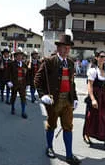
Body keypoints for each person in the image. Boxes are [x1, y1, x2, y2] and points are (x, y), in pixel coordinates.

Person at [34, 33, 80, 165]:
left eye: (68, 47)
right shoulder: (49, 62)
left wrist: (75, 97)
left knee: (68, 127)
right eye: (64, 47)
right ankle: (49, 147)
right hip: (54, 101)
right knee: (52, 125)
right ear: (58, 48)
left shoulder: (70, 63)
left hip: (67, 101)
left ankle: (69, 155)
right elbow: (37, 79)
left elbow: (72, 82)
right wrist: (43, 95)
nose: (66, 50)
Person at [83, 51, 105, 152]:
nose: (103, 58)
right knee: (90, 117)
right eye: (101, 56)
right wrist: (92, 99)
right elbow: (90, 85)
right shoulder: (93, 70)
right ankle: (86, 134)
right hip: (95, 95)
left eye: (104, 56)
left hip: (104, 96)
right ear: (97, 58)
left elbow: (104, 83)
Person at [8, 47, 29, 119]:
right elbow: (8, 74)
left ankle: (23, 112)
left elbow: (27, 75)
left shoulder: (24, 65)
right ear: (15, 56)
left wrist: (27, 84)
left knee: (23, 98)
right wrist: (9, 81)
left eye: (21, 55)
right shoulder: (11, 64)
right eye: (18, 55)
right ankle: (13, 108)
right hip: (14, 83)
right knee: (13, 96)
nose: (19, 56)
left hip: (22, 84)